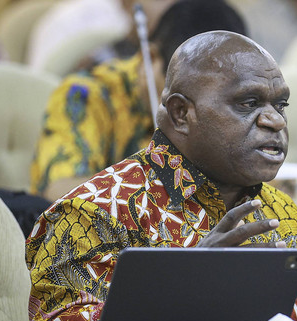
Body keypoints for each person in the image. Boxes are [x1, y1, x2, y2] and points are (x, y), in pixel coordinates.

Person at [26, 30, 297, 321]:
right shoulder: (94, 211)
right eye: (249, 103)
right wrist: (188, 283)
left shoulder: (279, 212)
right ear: (181, 113)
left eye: (280, 105)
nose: (275, 120)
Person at [29, 0, 247, 202]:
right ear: (150, 60)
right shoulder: (85, 94)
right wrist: (160, 186)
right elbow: (60, 191)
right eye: (187, 94)